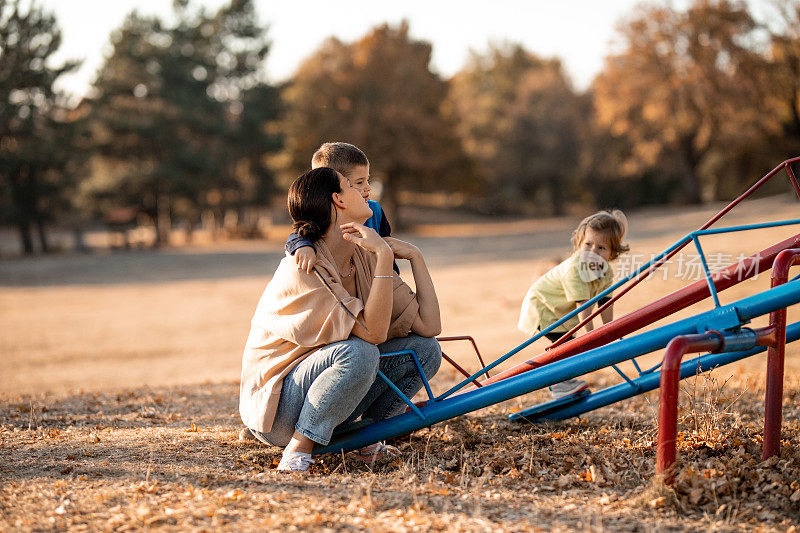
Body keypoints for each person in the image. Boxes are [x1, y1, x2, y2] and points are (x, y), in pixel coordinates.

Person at [240, 167, 442, 473]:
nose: (367, 191)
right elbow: (372, 335)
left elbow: (429, 327)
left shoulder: (365, 254)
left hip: (333, 390)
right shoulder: (304, 267)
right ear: (338, 200)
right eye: (353, 185)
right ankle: (298, 449)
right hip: (278, 410)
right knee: (360, 352)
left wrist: (415, 257)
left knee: (425, 350)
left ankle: (370, 441)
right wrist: (386, 257)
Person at [517, 210, 629, 399]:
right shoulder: (575, 269)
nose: (593, 252)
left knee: (567, 344)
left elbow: (605, 302)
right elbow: (584, 306)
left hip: (561, 312)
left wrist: (609, 331)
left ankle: (564, 382)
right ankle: (559, 385)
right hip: (543, 308)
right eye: (588, 244)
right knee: (565, 345)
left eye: (601, 248)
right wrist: (592, 337)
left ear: (612, 253)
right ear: (579, 244)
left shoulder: (606, 272)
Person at [286, 142, 397, 274]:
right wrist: (303, 246)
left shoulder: (374, 210)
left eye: (368, 179)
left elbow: (387, 244)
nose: (368, 187)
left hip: (374, 277)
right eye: (359, 182)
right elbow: (299, 233)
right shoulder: (323, 215)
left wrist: (392, 275)